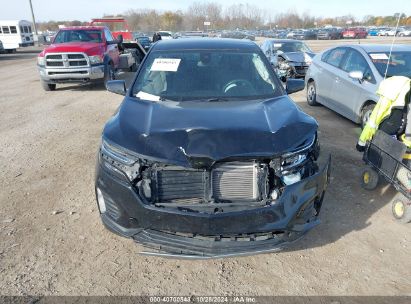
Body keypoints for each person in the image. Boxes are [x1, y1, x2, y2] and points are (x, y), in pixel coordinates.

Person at [356, 76, 411, 152]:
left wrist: (362, 141)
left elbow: (375, 118)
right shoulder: (406, 86)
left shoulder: (394, 87)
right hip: (403, 135)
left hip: (389, 128)